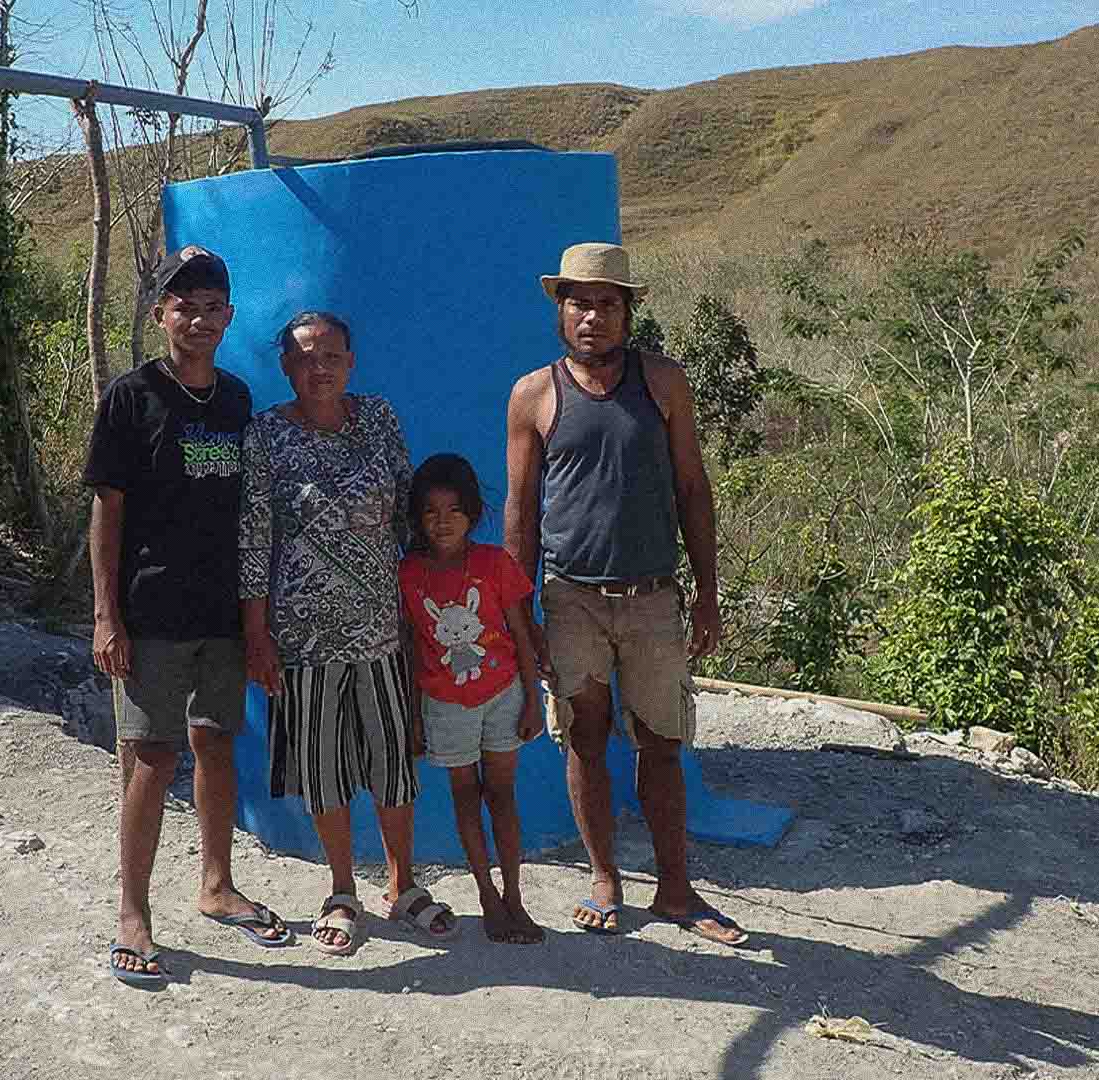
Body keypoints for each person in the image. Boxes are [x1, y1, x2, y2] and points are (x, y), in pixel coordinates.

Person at [502, 242, 748, 945]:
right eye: (580, 302)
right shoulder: (534, 394)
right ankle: (605, 878)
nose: (593, 317)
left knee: (663, 743)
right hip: (569, 594)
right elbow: (521, 509)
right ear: (561, 310)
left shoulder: (664, 384)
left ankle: (675, 890)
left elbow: (693, 489)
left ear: (627, 312)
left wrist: (707, 592)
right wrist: (521, 615)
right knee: (583, 736)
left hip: (652, 596)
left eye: (609, 304)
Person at [85, 245, 291, 986]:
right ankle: (133, 914)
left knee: (215, 745)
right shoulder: (131, 397)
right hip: (151, 612)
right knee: (149, 756)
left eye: (211, 307)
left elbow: (254, 516)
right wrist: (107, 616)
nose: (197, 319)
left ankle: (216, 885)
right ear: (159, 314)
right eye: (183, 306)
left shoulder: (237, 400)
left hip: (223, 613)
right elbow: (107, 514)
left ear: (228, 317)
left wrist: (256, 619)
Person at [240, 311, 459, 955]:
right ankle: (342, 890)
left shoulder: (380, 420)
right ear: (286, 365)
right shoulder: (266, 435)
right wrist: (258, 633)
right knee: (325, 769)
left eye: (331, 354)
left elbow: (406, 518)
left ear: (351, 361)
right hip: (303, 637)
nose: (320, 367)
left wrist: (425, 608)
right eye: (306, 356)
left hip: (381, 630)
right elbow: (253, 537)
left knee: (393, 765)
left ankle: (403, 885)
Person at [398, 453, 546, 945]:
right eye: (431, 511)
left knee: (502, 797)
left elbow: (522, 633)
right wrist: (416, 719)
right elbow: (413, 646)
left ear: (473, 514)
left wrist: (532, 699)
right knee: (466, 796)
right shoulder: (408, 575)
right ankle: (486, 897)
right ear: (417, 516)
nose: (443, 522)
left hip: (504, 696)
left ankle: (515, 897)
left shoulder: (493, 564)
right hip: (444, 705)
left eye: (455, 510)